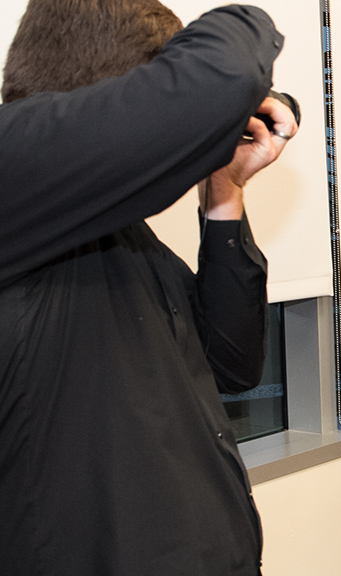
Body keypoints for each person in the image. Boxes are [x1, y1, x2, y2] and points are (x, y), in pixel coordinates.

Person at [0, 0, 299, 574]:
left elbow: (232, 365)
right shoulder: (10, 172)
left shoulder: (117, 229)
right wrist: (245, 34)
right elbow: (227, 72)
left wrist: (224, 192)